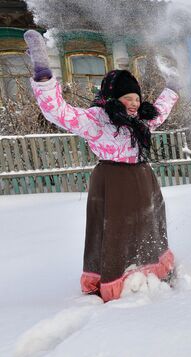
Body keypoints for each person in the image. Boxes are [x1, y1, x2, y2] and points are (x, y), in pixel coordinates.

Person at [24, 30, 181, 302]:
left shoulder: (140, 122)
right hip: (113, 183)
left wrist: (174, 85)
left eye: (136, 98)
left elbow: (161, 110)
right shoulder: (95, 120)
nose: (134, 103)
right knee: (114, 229)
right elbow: (57, 111)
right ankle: (113, 279)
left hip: (143, 180)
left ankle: (150, 270)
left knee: (149, 225)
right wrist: (43, 75)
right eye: (127, 98)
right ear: (112, 97)